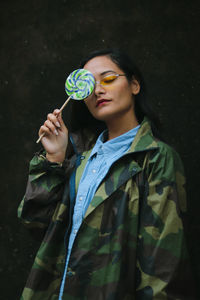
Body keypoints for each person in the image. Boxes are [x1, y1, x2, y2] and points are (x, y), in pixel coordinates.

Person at [18, 49, 196, 300]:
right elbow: (35, 225)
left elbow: (163, 264)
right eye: (90, 85)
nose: (98, 90)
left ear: (134, 85)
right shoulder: (76, 155)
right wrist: (54, 159)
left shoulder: (155, 157)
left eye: (109, 79)